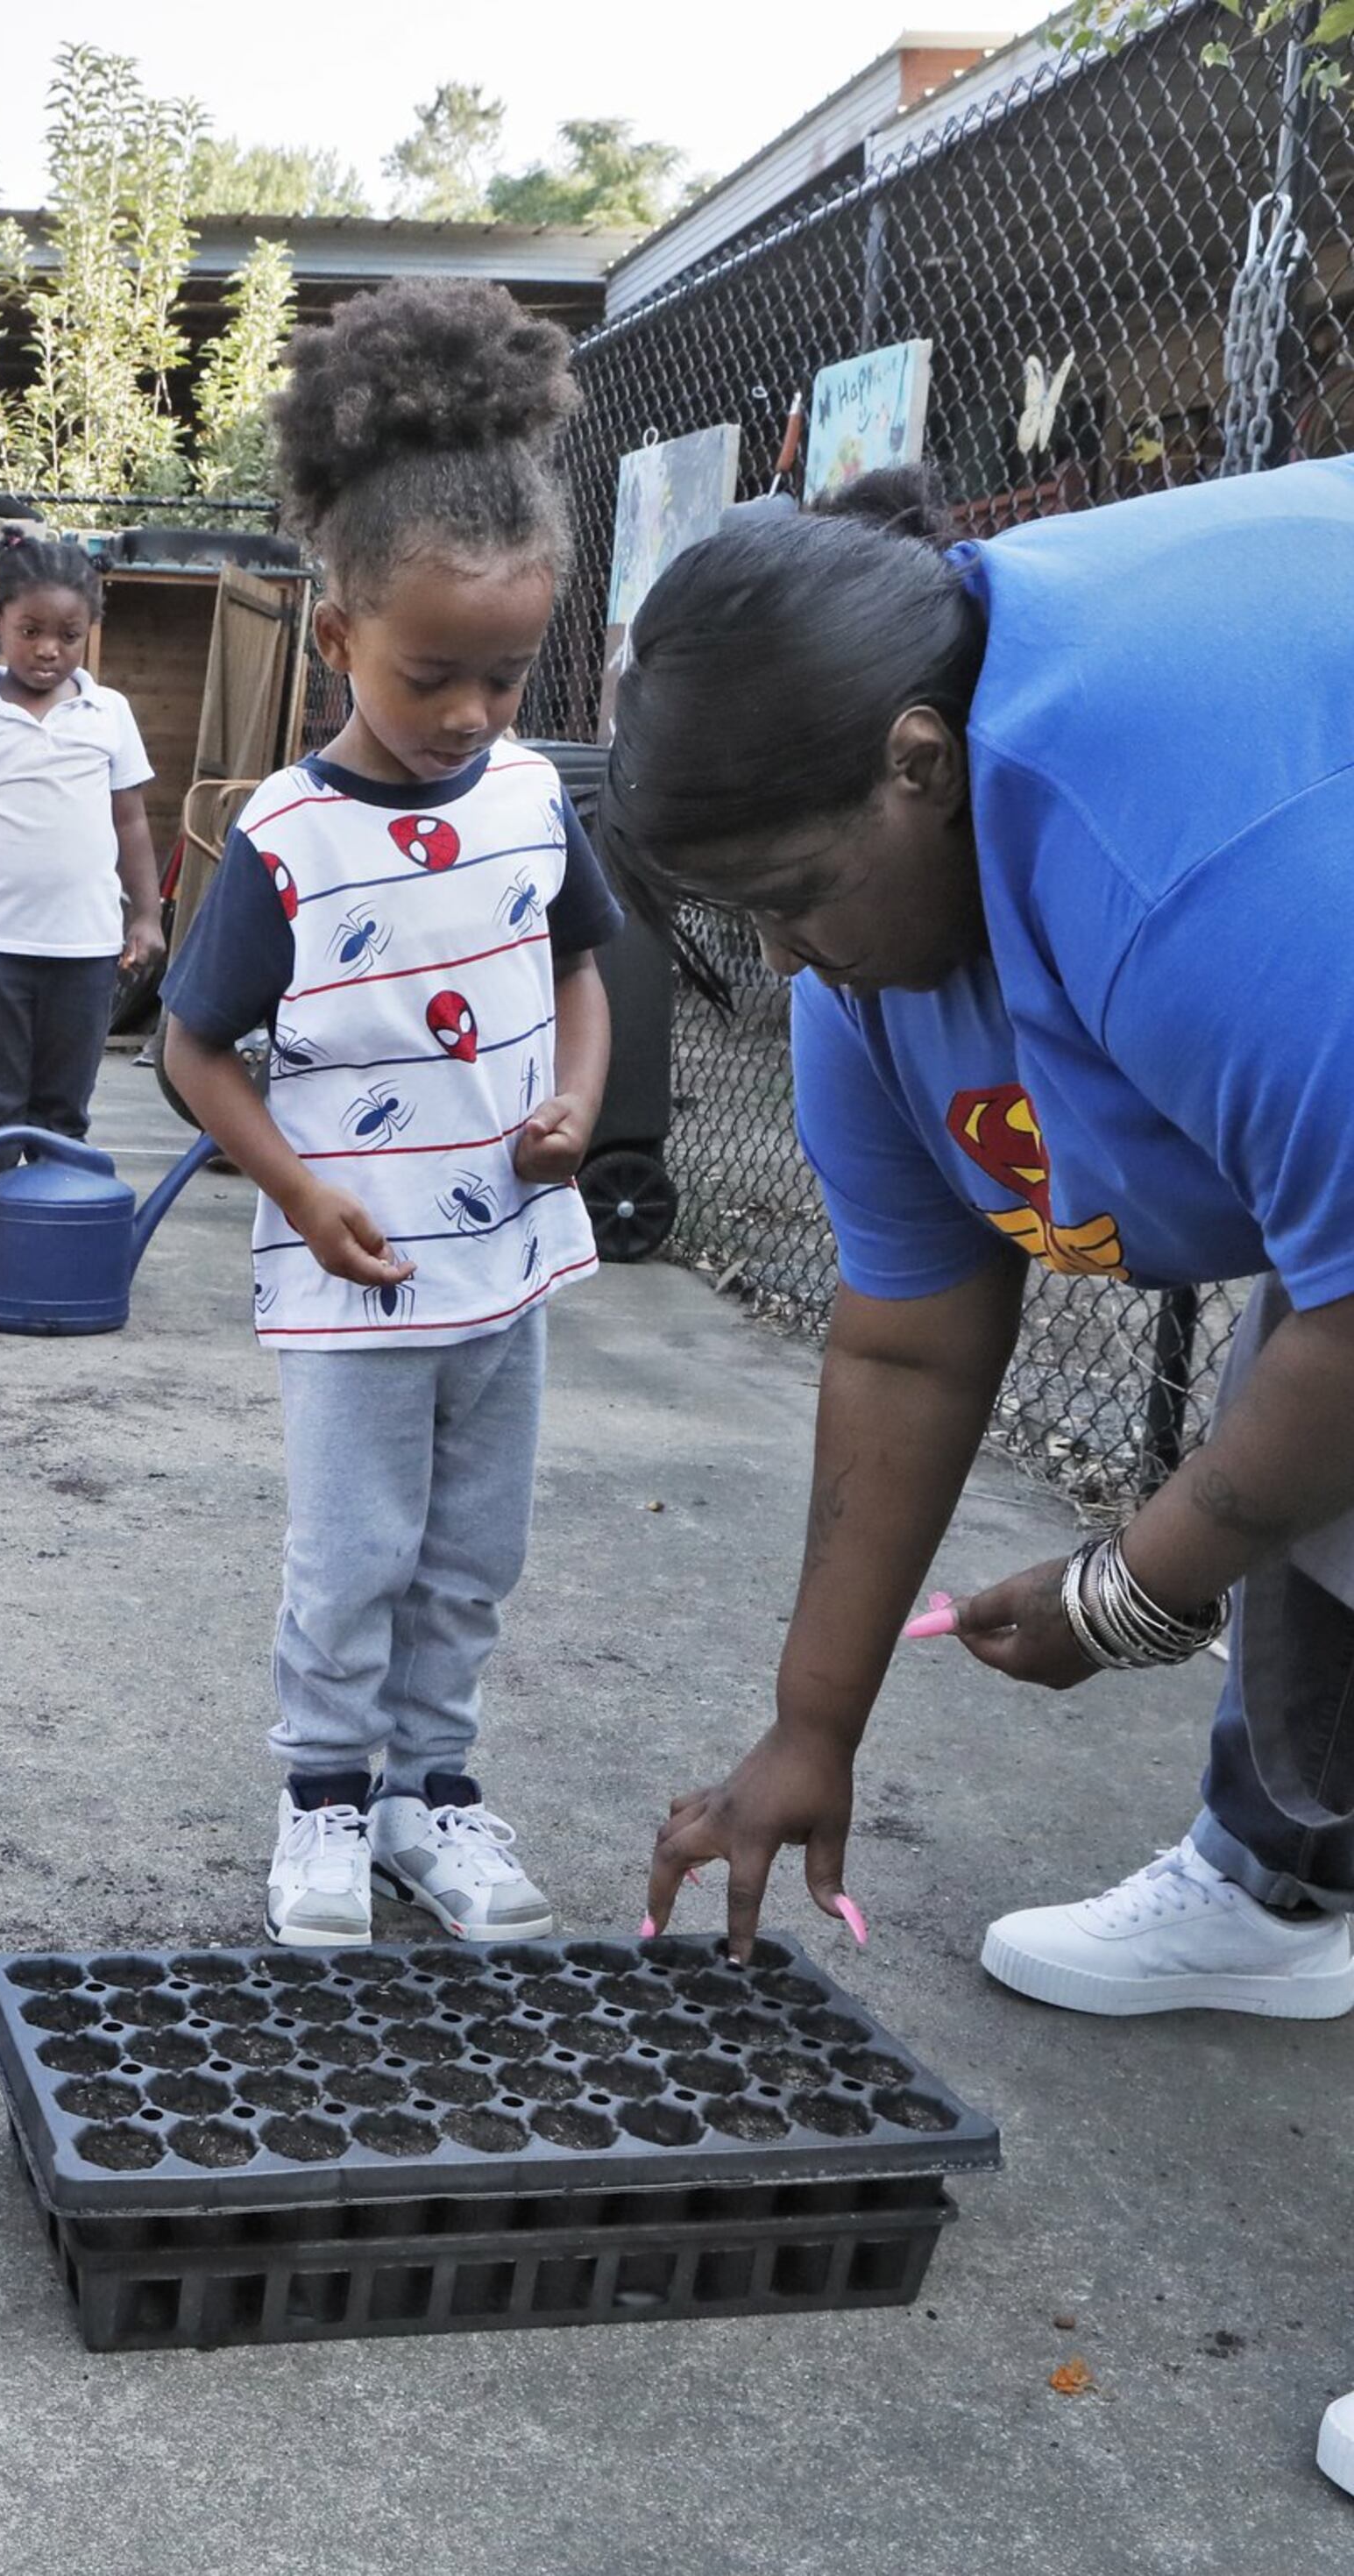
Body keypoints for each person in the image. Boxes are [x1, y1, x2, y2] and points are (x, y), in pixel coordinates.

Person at [604, 450, 1354, 2493]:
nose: (793, 966)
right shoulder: (876, 963)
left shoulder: (1187, 857)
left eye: (790, 896)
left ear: (917, 765)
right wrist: (804, 1724)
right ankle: (1289, 1876)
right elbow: (909, 1328)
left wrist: (1132, 1579)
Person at [157, 276, 615, 1949]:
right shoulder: (284, 840)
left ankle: (435, 1789)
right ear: (339, 635)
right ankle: (324, 1803)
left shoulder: (533, 796)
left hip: (504, 1263)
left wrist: (575, 1095)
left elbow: (581, 974)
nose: (475, 714)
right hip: (354, 1278)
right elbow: (194, 1053)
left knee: (472, 1552)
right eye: (437, 677)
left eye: (506, 674)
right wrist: (293, 1189)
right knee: (354, 1555)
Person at [0, 534, 165, 1184]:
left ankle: (49, 1253)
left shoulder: (110, 714)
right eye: (30, 630)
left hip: (84, 951)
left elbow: (130, 819)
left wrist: (145, 915)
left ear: (89, 633)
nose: (49, 648)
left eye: (69, 634)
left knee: (62, 1114)